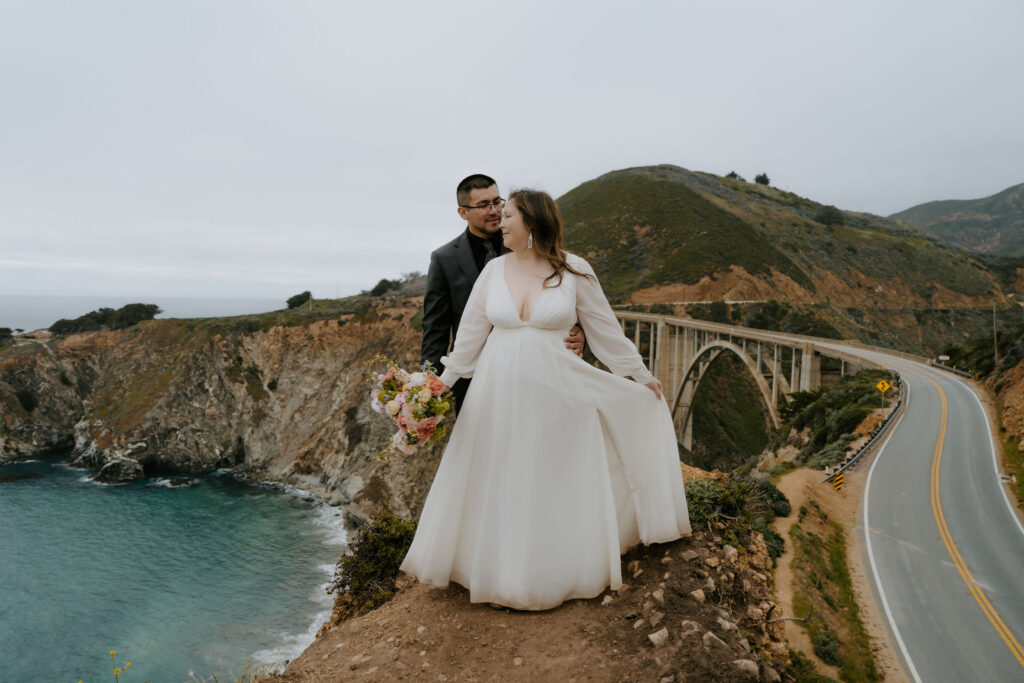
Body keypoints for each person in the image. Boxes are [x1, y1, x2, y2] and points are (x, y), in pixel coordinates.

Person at [401, 188, 691, 611]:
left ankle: (551, 573)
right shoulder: (493, 271)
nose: (500, 222)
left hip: (556, 392)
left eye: (509, 215)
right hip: (496, 392)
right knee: (502, 474)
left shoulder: (574, 270)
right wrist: (437, 387)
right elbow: (468, 340)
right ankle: (500, 573)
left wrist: (641, 376)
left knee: (548, 476)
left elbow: (606, 330)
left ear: (532, 222)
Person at [421, 174, 583, 414]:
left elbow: (565, 294)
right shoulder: (444, 259)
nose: (494, 211)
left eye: (497, 202)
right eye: (483, 205)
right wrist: (428, 384)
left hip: (537, 371)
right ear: (463, 212)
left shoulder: (527, 243)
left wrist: (580, 330)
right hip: (469, 375)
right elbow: (435, 328)